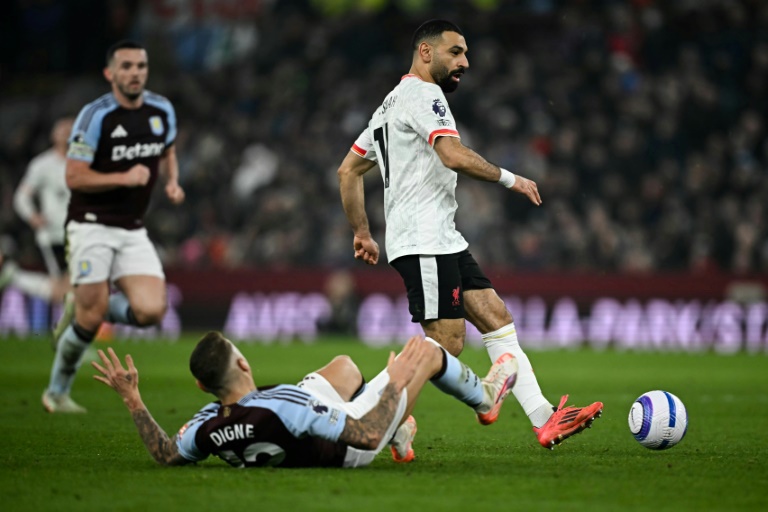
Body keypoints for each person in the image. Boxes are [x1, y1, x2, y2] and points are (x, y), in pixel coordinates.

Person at [337, 19, 603, 449]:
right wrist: (510, 179)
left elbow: (348, 170)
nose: (465, 62)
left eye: (465, 53)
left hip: (441, 237)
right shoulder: (424, 95)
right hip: (423, 240)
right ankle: (368, 417)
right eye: (455, 52)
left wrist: (363, 232)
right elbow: (452, 154)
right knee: (447, 343)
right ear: (425, 52)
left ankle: (544, 417)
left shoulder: (388, 106)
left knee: (496, 317)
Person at [92, 332, 519, 467]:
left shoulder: (208, 425)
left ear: (204, 389)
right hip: (347, 444)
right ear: (243, 366)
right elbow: (366, 436)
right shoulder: (284, 408)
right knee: (423, 349)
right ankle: (485, 398)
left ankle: (402, 430)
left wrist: (132, 398)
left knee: (345, 367)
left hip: (285, 423)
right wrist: (396, 384)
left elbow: (167, 454)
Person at [42, 40, 185, 413]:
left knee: (152, 311)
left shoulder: (161, 109)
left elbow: (168, 149)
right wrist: (124, 178)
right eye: (126, 66)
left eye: (140, 66)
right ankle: (56, 391)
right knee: (90, 319)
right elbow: (73, 176)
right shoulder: (95, 117)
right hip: (90, 225)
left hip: (132, 228)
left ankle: (87, 301)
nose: (135, 72)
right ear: (111, 74)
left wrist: (172, 181)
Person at [1, 118, 76, 305]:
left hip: (79, 233)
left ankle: (15, 277)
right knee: (63, 292)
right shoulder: (42, 164)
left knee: (75, 288)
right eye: (62, 130)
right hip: (53, 235)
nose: (67, 133)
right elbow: (21, 197)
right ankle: (16, 278)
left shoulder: (85, 163)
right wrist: (32, 216)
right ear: (53, 136)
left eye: (71, 129)